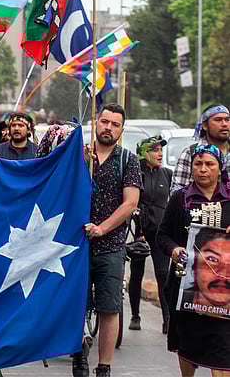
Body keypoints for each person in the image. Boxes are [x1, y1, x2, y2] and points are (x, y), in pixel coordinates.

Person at [74, 104, 142, 377]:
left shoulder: (128, 160)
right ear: (96, 122)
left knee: (109, 308)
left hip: (111, 247)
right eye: (104, 121)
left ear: (121, 130)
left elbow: (130, 203)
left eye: (115, 124)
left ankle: (104, 366)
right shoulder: (79, 157)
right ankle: (78, 355)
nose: (108, 128)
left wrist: (103, 228)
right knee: (76, 305)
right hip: (76, 246)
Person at [156, 144, 230, 376]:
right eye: (198, 164)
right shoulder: (180, 199)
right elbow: (162, 235)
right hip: (187, 288)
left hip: (223, 291)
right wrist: (175, 250)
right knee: (188, 345)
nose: (203, 169)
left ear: (220, 168)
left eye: (209, 164)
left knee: (222, 352)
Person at [127, 136, 172, 333]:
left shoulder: (167, 174)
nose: (160, 154)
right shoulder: (135, 174)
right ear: (145, 153)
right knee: (137, 273)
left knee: (163, 274)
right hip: (140, 232)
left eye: (161, 150)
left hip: (161, 234)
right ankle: (135, 315)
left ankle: (167, 319)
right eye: (155, 150)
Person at [173, 104, 230, 193]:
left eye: (227, 119)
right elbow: (177, 192)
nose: (224, 124)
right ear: (205, 125)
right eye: (218, 120)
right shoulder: (191, 153)